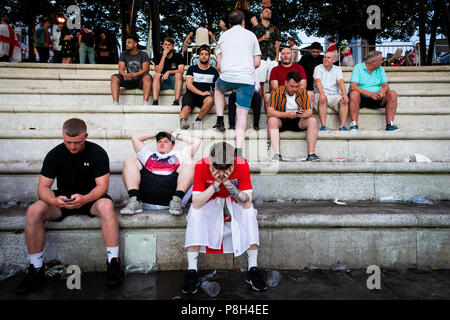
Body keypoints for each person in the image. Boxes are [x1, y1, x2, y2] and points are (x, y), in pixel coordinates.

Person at [16, 118, 122, 295]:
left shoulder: (97, 152)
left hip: (91, 198)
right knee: (34, 211)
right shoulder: (55, 154)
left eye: (77, 142)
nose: (72, 147)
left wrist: (85, 198)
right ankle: (36, 269)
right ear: (62, 136)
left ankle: (113, 263)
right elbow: (43, 188)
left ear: (85, 136)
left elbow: (102, 186)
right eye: (68, 142)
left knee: (107, 206)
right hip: (63, 200)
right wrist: (53, 201)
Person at [182, 142, 267, 294]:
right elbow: (196, 203)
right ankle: (192, 272)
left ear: (233, 162)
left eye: (226, 169)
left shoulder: (241, 164)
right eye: (217, 169)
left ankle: (253, 269)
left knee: (249, 214)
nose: (221, 173)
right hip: (211, 198)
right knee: (195, 215)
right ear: (210, 161)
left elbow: (247, 203)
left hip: (233, 199)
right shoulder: (202, 164)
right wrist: (216, 183)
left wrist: (226, 182)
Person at [213, 10, 261, 159]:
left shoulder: (223, 36)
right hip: (246, 79)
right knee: (242, 115)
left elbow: (219, 64)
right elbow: (257, 62)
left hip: (227, 76)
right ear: (243, 22)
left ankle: (220, 120)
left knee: (218, 89)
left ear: (229, 23)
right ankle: (238, 152)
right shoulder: (251, 35)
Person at [120, 130, 201, 216]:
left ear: (172, 146)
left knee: (190, 163)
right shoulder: (148, 156)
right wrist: (157, 133)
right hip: (147, 195)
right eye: (159, 141)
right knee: (130, 160)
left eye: (166, 142)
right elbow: (135, 138)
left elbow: (197, 142)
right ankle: (134, 200)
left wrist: (176, 135)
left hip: (171, 197)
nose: (162, 144)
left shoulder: (179, 155)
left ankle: (177, 200)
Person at [267, 71, 320, 162]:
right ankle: (277, 154)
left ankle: (311, 154)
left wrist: (302, 114)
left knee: (313, 121)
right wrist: (286, 114)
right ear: (286, 83)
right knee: (271, 120)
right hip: (281, 119)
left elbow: (309, 111)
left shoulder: (302, 92)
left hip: (298, 120)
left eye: (297, 86)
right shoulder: (277, 91)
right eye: (292, 86)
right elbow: (269, 111)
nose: (294, 89)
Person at [349, 50, 399, 131]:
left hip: (377, 98)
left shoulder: (380, 69)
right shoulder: (358, 67)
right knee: (354, 93)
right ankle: (354, 124)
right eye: (381, 60)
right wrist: (371, 94)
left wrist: (382, 92)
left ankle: (390, 124)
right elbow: (353, 86)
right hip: (361, 99)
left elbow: (386, 86)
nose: (382, 61)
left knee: (392, 93)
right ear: (373, 62)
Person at [180, 45, 219, 130]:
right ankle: (183, 121)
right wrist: (201, 93)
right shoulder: (192, 68)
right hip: (191, 94)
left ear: (209, 57)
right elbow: (189, 85)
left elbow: (216, 88)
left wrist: (219, 101)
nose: (204, 56)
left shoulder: (214, 71)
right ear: (199, 57)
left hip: (204, 96)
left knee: (210, 100)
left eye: (206, 54)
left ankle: (198, 120)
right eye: (202, 54)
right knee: (186, 107)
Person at [111, 34, 152, 105]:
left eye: (129, 43)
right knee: (114, 77)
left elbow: (146, 69)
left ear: (135, 44)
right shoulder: (123, 54)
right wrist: (125, 75)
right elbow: (121, 69)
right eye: (126, 42)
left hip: (140, 81)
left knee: (148, 77)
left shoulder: (143, 54)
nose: (126, 44)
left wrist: (134, 75)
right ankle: (115, 102)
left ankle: (145, 102)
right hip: (128, 80)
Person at [313, 52, 349, 131]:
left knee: (343, 100)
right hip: (321, 93)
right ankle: (323, 126)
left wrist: (344, 94)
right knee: (321, 98)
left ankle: (342, 126)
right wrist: (322, 94)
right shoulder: (318, 68)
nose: (325, 59)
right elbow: (317, 81)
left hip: (333, 95)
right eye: (324, 57)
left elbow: (340, 82)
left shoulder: (337, 69)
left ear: (334, 60)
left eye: (328, 58)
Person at [253, 7, 280, 101]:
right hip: (261, 58)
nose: (268, 13)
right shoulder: (256, 28)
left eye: (270, 12)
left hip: (273, 58)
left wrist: (277, 57)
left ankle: (271, 104)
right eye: (266, 11)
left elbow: (277, 43)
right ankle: (259, 105)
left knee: (273, 82)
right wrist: (261, 39)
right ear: (261, 15)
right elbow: (252, 43)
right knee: (260, 82)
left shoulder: (275, 29)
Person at [152, 37, 185, 106]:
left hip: (174, 81)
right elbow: (158, 71)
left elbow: (181, 70)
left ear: (173, 47)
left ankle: (176, 101)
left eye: (169, 45)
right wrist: (163, 56)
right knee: (156, 75)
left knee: (178, 75)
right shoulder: (159, 56)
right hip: (162, 81)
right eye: (165, 44)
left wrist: (169, 72)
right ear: (163, 46)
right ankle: (155, 101)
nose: (167, 46)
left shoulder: (178, 56)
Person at [299, 42, 324, 107]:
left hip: (319, 83)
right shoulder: (305, 57)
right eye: (314, 52)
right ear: (310, 50)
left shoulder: (323, 58)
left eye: (317, 52)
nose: (315, 54)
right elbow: (299, 69)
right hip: (307, 82)